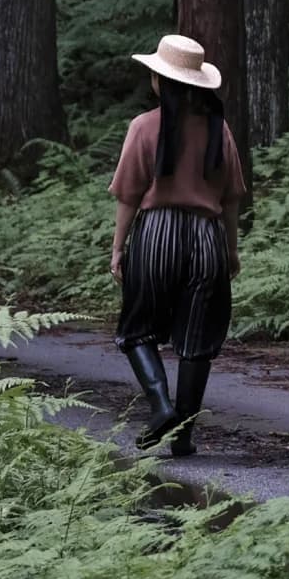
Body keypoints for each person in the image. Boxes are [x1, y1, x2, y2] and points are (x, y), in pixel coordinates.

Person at [109, 34, 247, 458]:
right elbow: (230, 197)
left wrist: (118, 248)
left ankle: (162, 406)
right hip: (206, 237)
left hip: (156, 233)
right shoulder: (217, 128)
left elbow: (129, 195)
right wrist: (230, 249)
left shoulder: (143, 127)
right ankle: (183, 434)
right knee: (197, 339)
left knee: (136, 329)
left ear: (160, 80)